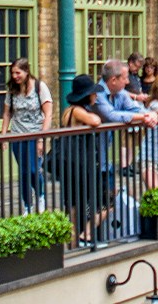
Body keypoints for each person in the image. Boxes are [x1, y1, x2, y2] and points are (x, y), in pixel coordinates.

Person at [56, 74, 112, 247]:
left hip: (71, 164)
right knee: (104, 203)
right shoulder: (79, 111)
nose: (96, 96)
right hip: (81, 164)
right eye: (93, 93)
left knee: (73, 205)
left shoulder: (68, 110)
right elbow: (95, 121)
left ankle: (73, 245)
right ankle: (86, 235)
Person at [2, 57, 52, 213]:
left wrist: (41, 139)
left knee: (33, 169)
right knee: (23, 171)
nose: (15, 76)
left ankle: (40, 195)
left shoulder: (39, 87)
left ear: (26, 71)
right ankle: (27, 205)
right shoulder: (12, 90)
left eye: (18, 73)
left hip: (35, 134)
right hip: (17, 135)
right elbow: (7, 114)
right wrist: (4, 135)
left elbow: (48, 114)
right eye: (13, 73)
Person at [98, 58, 158, 179]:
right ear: (114, 80)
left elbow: (133, 108)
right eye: (125, 78)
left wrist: (151, 114)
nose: (127, 82)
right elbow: (111, 115)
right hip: (86, 151)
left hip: (103, 150)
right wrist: (143, 117)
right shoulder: (98, 93)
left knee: (107, 188)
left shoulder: (121, 93)